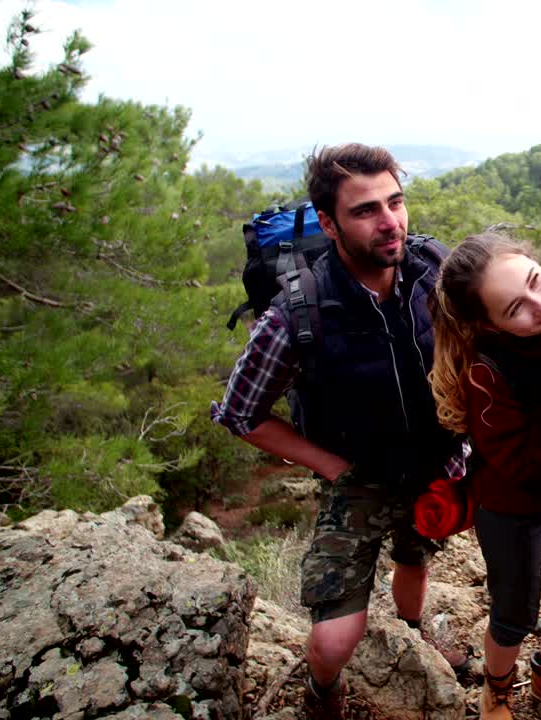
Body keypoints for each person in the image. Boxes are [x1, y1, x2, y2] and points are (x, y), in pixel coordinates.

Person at [211, 143, 465, 720]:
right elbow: (238, 412)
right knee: (332, 641)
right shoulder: (299, 311)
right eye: (365, 210)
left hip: (434, 462)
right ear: (328, 223)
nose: (389, 222)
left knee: (415, 555)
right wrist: (329, 467)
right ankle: (323, 691)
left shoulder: (434, 273)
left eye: (395, 203)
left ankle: (412, 632)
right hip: (358, 475)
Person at [429, 232, 541, 720]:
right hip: (512, 504)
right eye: (516, 307)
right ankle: (496, 690)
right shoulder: (487, 372)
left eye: (538, 282)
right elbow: (515, 461)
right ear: (490, 325)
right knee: (514, 609)